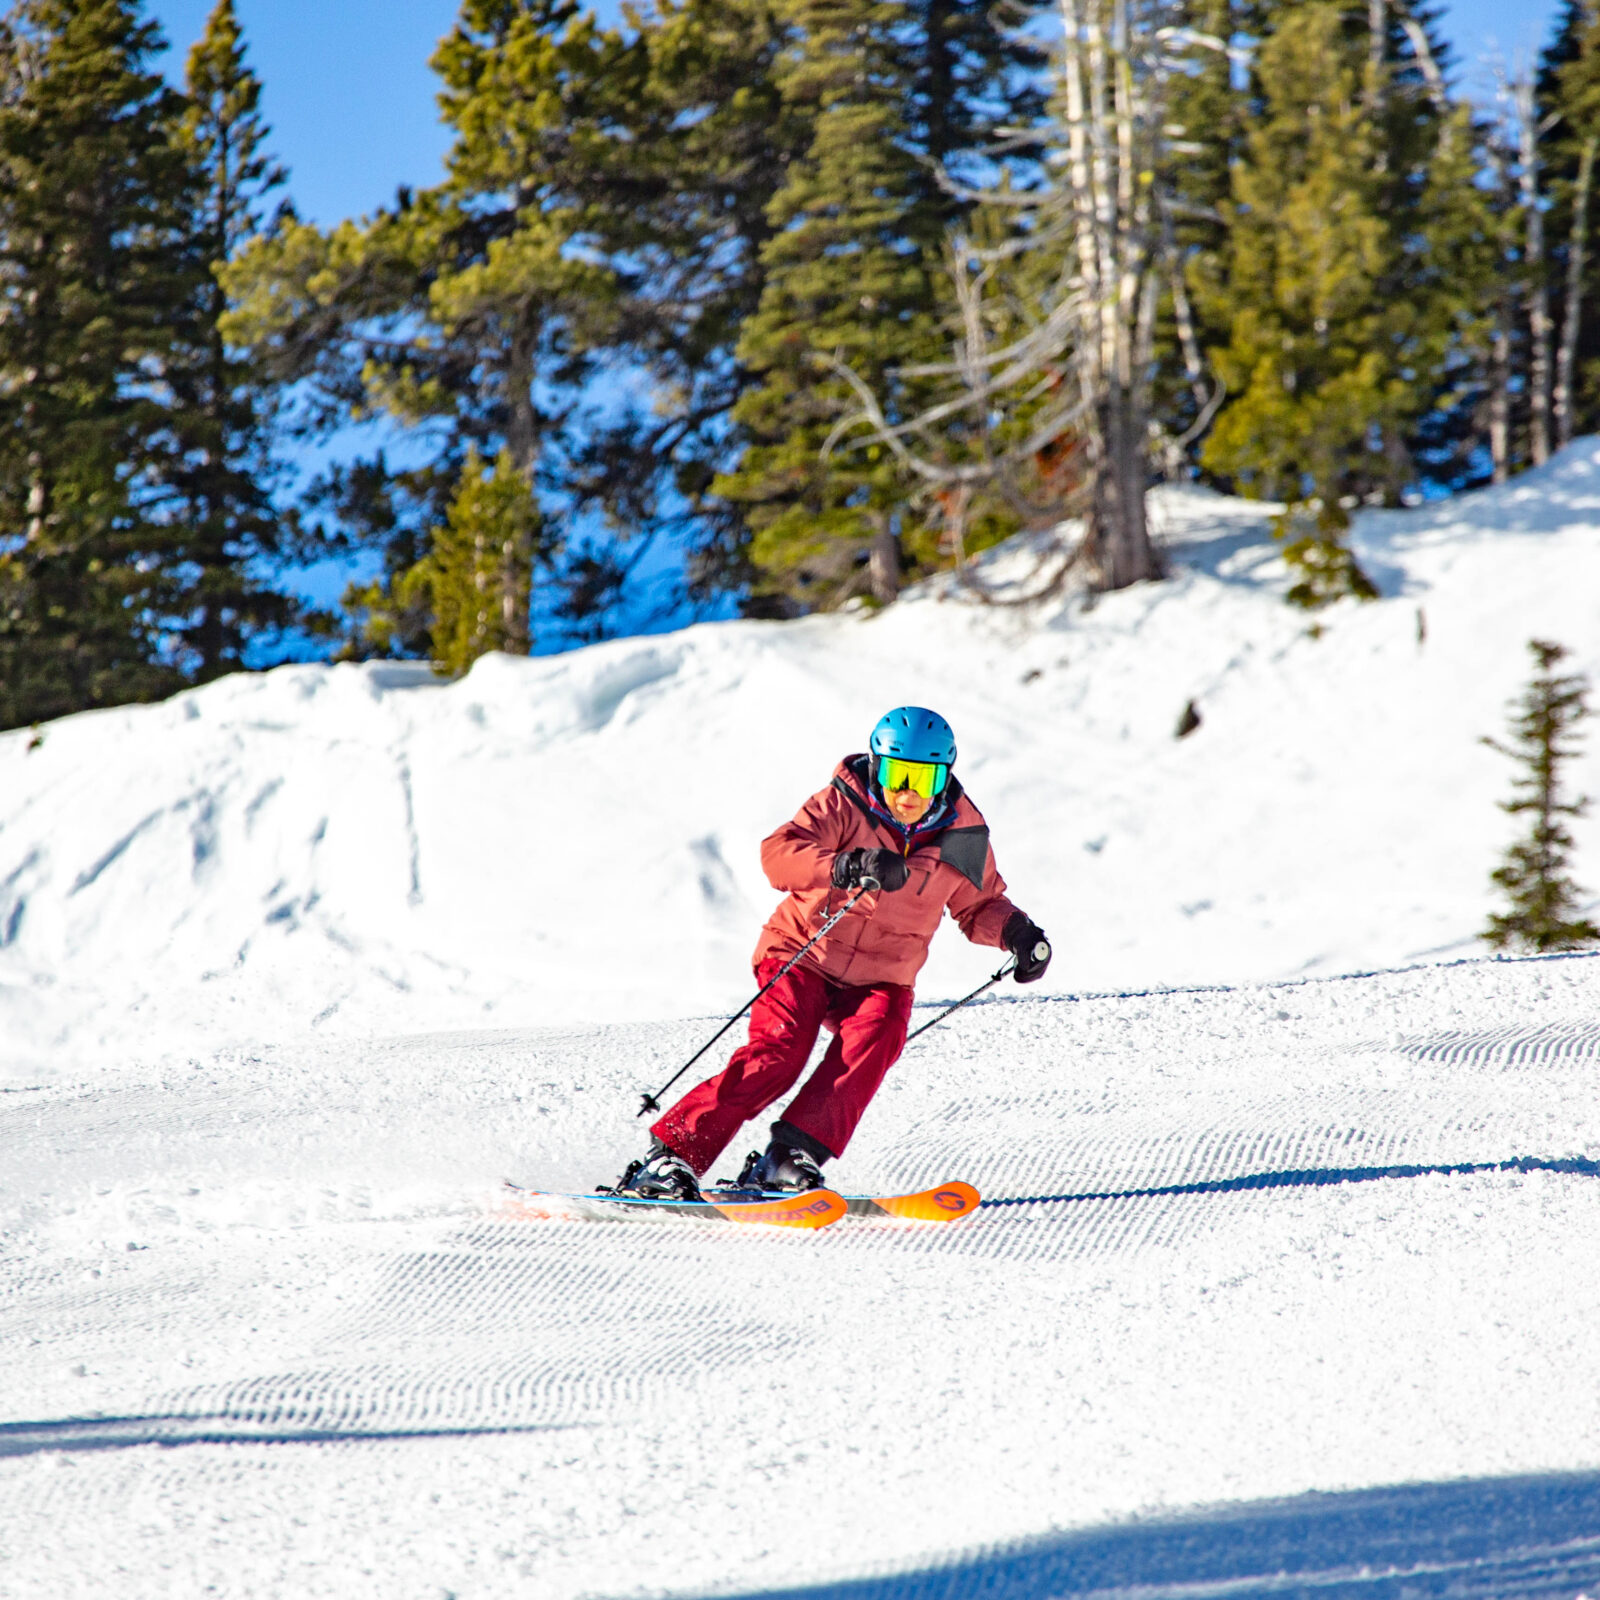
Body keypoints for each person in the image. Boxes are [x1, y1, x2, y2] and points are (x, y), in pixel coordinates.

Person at [615, 706, 1050, 1199]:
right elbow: (778, 854)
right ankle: (673, 1155)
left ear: (944, 778)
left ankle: (790, 1156)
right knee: (780, 1053)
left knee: (878, 1038)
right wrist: (846, 864)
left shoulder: (963, 835)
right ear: (876, 765)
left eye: (923, 779)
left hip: (883, 973)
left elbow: (980, 904)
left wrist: (1016, 933)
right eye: (895, 774)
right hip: (803, 952)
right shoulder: (844, 804)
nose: (906, 792)